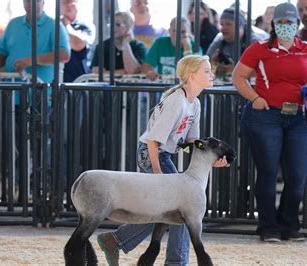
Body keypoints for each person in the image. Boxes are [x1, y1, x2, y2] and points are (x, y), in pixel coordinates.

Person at [95, 54, 229, 265]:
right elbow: (152, 140)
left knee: (176, 208)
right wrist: (158, 176)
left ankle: (116, 240)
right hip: (152, 154)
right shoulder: (177, 101)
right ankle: (175, 261)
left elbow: (192, 143)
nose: (211, 74)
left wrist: (212, 161)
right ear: (192, 76)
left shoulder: (195, 104)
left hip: (162, 154)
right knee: (184, 207)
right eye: (206, 71)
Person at [233, 2, 307, 242]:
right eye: (281, 22)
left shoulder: (306, 49)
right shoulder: (258, 48)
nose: (286, 26)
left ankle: (289, 224)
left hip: (297, 116)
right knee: (268, 172)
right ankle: (268, 226)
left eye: (290, 22)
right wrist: (255, 98)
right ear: (273, 24)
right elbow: (238, 77)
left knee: (298, 175)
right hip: (265, 115)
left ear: (297, 24)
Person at [0, 0, 70, 83]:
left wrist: (31, 60)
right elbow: (1, 52)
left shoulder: (55, 25)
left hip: (42, 92)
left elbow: (64, 55)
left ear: (43, 3)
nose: (31, 3)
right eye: (27, 1)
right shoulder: (13, 24)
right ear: (23, 3)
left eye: (37, 1)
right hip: (12, 90)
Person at [206, 8, 268, 76]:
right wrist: (214, 65)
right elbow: (205, 67)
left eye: (228, 24)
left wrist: (236, 70)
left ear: (240, 26)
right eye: (222, 24)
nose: (223, 28)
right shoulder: (220, 41)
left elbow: (267, 69)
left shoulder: (254, 42)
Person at [142, 16, 201, 81]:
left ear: (189, 33)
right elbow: (146, 66)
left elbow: (195, 73)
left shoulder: (195, 47)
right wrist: (150, 72)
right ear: (169, 31)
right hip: (164, 88)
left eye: (183, 32)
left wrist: (188, 49)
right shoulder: (160, 43)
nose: (178, 34)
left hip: (186, 88)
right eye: (175, 31)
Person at [60, 0, 95, 82]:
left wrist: (65, 25)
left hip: (78, 82)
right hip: (56, 80)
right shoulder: (52, 25)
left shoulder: (85, 26)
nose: (67, 5)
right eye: (64, 2)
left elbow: (78, 44)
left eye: (70, 1)